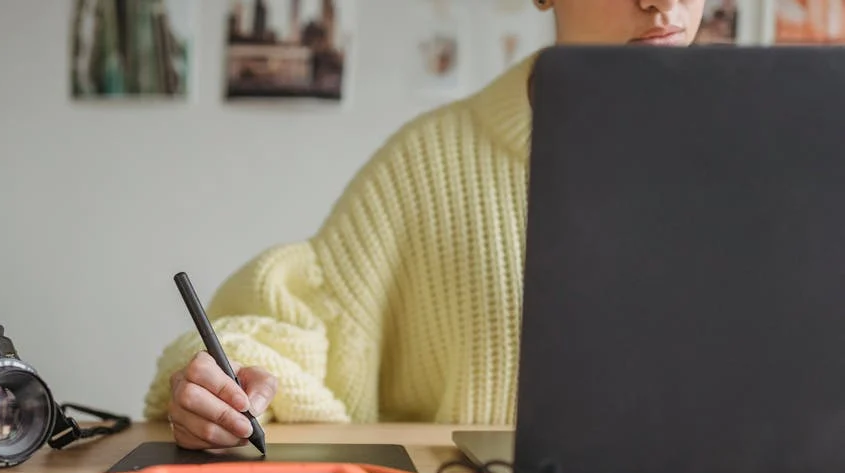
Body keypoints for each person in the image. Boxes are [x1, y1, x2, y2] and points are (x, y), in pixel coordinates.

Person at [145, 0, 707, 450]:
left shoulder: (770, 152)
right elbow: (302, 326)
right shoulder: (433, 161)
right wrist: (223, 385)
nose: (662, 3)